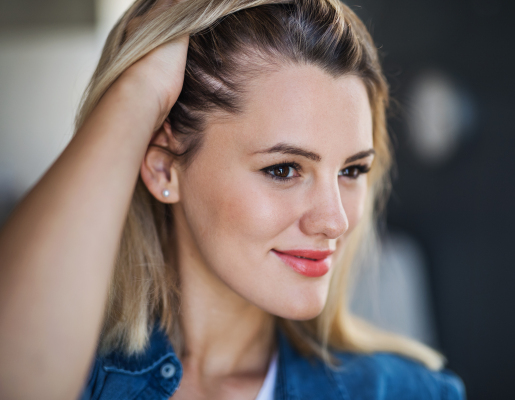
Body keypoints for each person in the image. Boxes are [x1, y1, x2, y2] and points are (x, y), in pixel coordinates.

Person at [0, 0, 466, 399]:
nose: (335, 220)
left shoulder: (410, 393)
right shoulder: (80, 380)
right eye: (283, 169)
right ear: (164, 167)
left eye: (352, 170)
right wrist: (138, 90)